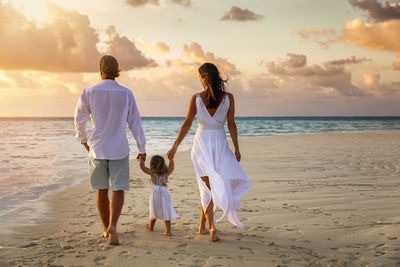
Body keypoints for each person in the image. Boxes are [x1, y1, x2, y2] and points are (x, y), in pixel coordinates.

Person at [167, 62, 251, 242]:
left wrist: (175, 146)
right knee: (207, 187)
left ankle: (211, 227)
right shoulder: (228, 98)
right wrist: (236, 148)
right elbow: (231, 124)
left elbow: (187, 124)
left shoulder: (197, 98)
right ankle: (202, 227)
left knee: (206, 187)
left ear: (204, 78)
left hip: (202, 144)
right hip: (219, 144)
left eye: (200, 78)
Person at [74, 55, 146, 245]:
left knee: (101, 190)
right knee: (119, 189)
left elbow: (79, 119)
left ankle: (106, 229)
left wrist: (84, 141)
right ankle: (113, 225)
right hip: (119, 148)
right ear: (117, 70)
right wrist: (142, 146)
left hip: (97, 148)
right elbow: (135, 122)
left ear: (100, 69)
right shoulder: (126, 93)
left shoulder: (89, 92)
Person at [139, 155, 178, 236]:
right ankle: (168, 231)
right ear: (163, 163)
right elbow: (172, 168)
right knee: (166, 211)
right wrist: (171, 159)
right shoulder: (166, 172)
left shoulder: (152, 172)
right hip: (165, 194)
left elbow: (143, 168)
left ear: (152, 164)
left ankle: (151, 227)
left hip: (155, 194)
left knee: (154, 210)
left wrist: (141, 159)